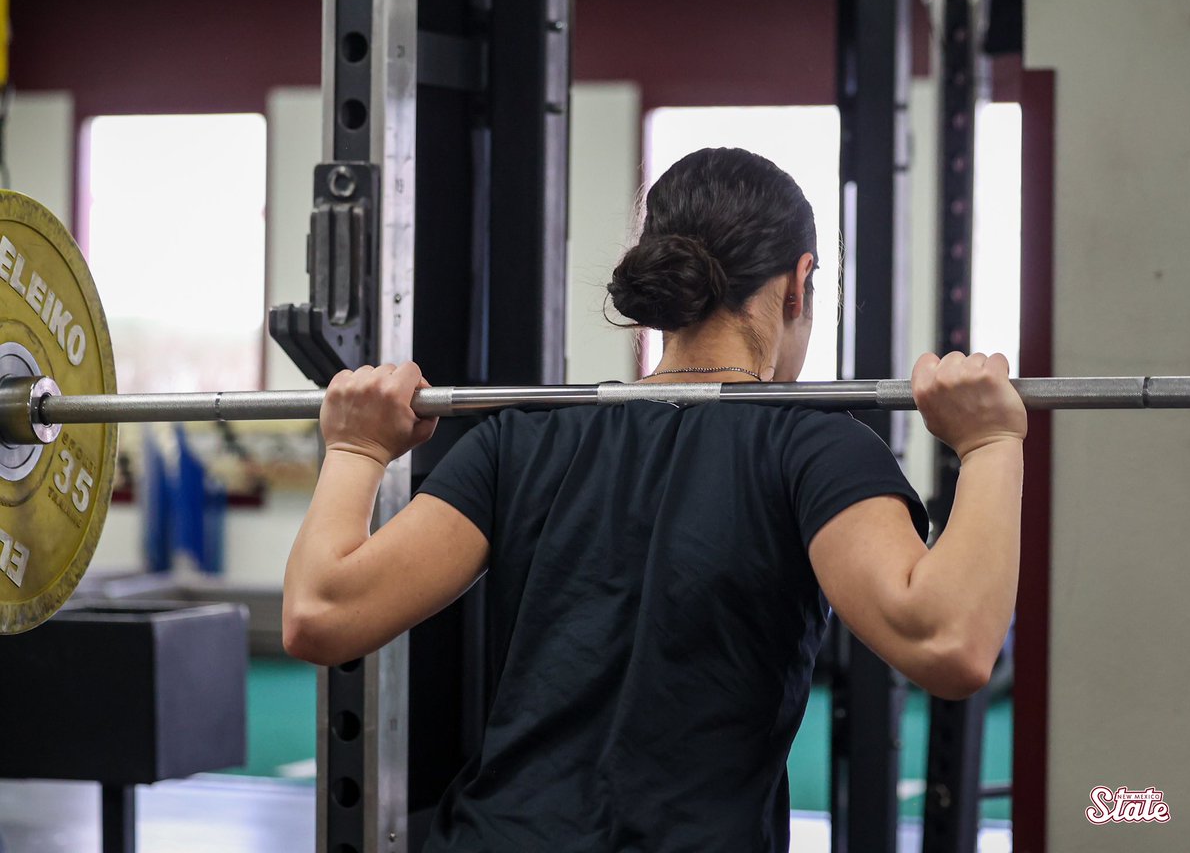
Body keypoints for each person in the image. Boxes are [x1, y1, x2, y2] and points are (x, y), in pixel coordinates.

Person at [283, 146, 1026, 852]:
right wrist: (991, 443)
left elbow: (321, 615)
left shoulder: (519, 442)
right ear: (800, 283)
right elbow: (949, 645)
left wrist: (357, 450)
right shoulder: (815, 448)